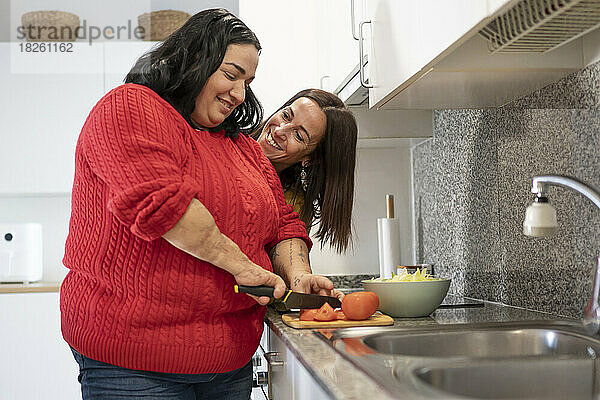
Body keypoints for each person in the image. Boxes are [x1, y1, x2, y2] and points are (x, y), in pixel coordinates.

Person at [60, 8, 339, 400]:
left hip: (230, 363)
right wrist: (244, 266)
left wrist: (299, 274)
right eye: (231, 75)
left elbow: (283, 224)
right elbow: (166, 209)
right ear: (194, 60)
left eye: (248, 81)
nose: (241, 94)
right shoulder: (129, 107)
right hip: (135, 361)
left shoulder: (244, 149)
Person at [252, 89, 358, 253]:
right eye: (286, 115)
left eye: (298, 135)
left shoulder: (294, 207)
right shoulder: (221, 145)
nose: (279, 130)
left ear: (311, 159)